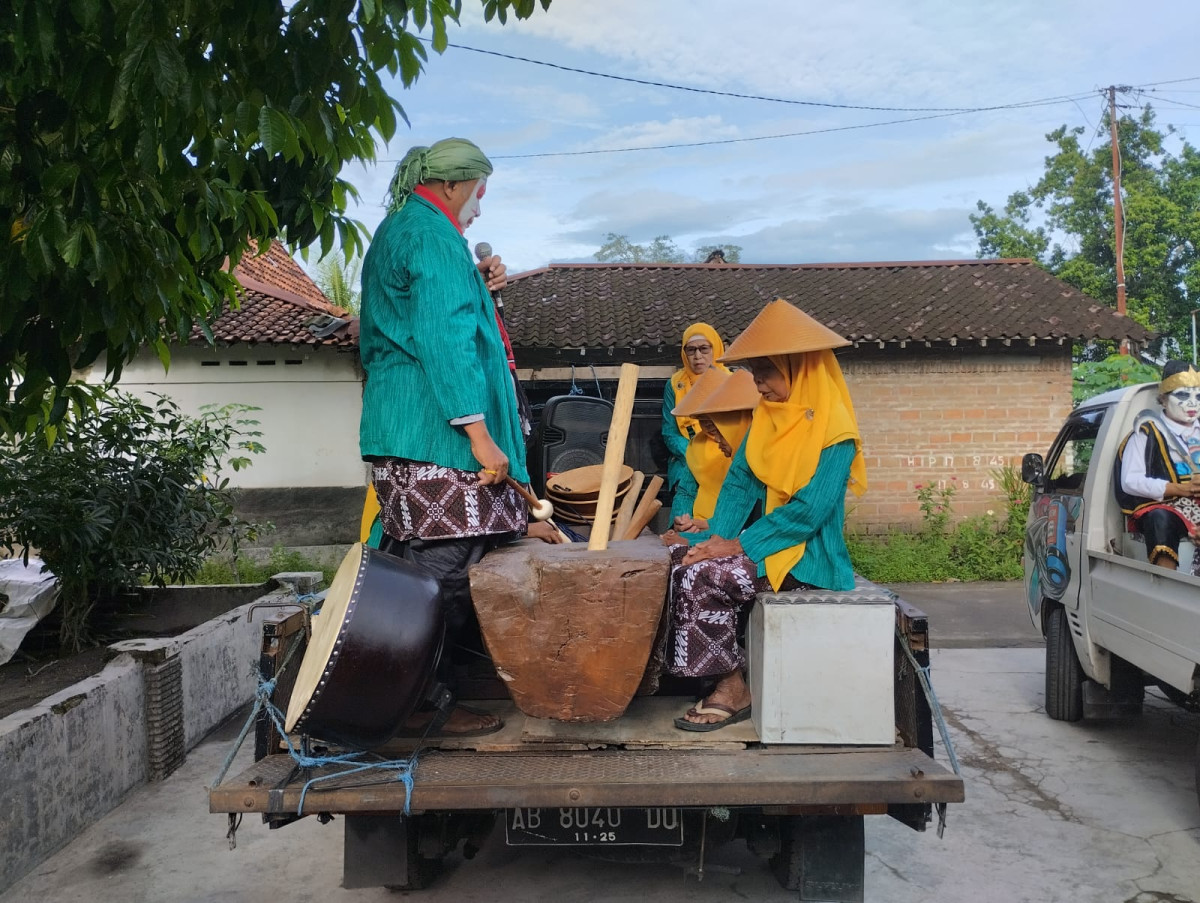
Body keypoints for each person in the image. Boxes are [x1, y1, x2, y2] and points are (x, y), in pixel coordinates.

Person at [358, 137, 531, 737]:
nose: (479, 208)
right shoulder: (433, 236)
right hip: (435, 434)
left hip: (405, 430)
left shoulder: (405, 228)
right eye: (479, 193)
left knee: (413, 568)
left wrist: (475, 283)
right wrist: (480, 435)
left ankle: (407, 693)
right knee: (442, 577)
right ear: (453, 186)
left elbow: (425, 316)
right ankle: (422, 701)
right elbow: (444, 339)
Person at [662, 299, 867, 731]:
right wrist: (714, 540)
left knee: (706, 578)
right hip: (768, 548)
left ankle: (731, 687)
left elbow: (810, 512)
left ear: (800, 369)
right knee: (680, 561)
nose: (757, 383)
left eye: (766, 372)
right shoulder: (767, 418)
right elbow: (740, 483)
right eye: (754, 373)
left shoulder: (837, 432)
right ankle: (713, 673)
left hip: (806, 558)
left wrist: (736, 545)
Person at [1115, 360, 1200, 570]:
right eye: (1183, 395)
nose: (1192, 403)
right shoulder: (1147, 433)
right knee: (1159, 519)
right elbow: (1130, 481)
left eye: (1198, 397)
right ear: (1163, 399)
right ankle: (1166, 581)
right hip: (1169, 506)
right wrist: (1180, 488)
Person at [669, 368, 759, 533]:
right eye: (703, 419)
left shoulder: (745, 448)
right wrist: (682, 522)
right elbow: (686, 492)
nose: (709, 424)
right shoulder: (696, 446)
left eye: (715, 417)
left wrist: (713, 526)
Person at [661, 324, 730, 502]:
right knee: (686, 488)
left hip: (725, 451)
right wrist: (694, 454)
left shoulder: (731, 382)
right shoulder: (675, 384)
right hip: (688, 452)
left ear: (715, 349)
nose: (697, 356)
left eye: (704, 349)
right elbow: (670, 432)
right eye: (691, 350)